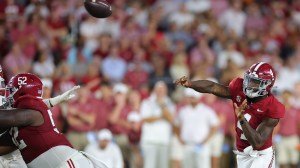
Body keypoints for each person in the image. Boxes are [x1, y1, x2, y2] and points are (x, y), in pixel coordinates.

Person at [175, 62, 285, 168]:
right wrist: (191, 84)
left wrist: (241, 119)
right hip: (242, 153)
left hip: (261, 155)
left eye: (255, 82)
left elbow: (257, 143)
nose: (249, 84)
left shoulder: (273, 107)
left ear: (267, 85)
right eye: (249, 80)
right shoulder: (239, 88)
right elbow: (213, 87)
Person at [0, 73, 106, 168]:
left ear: (22, 93)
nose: (7, 95)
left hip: (67, 164)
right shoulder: (20, 124)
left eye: (10, 90)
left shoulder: (32, 111)